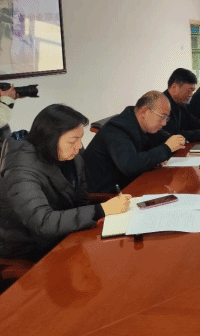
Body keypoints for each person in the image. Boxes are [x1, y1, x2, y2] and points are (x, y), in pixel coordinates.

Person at [0, 104, 131, 259]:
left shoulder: (70, 158)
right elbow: (42, 222)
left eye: (80, 139)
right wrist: (100, 210)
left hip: (65, 233)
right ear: (50, 139)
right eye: (72, 141)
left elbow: (81, 199)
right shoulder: (20, 169)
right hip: (30, 246)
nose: (79, 146)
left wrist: (102, 215)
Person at [83, 91, 186, 193]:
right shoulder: (117, 129)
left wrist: (160, 154)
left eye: (166, 118)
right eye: (162, 117)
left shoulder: (145, 124)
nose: (164, 123)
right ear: (144, 111)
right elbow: (130, 166)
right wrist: (166, 149)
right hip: (108, 195)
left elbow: (168, 139)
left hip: (133, 183)